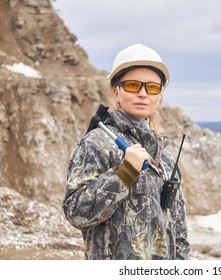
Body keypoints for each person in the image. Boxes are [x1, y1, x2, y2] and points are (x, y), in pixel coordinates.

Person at [63, 44, 190, 260]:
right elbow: (76, 213)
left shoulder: (165, 158)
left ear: (159, 95)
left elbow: (179, 233)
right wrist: (125, 173)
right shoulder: (98, 143)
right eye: (132, 85)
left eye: (152, 87)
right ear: (116, 91)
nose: (143, 94)